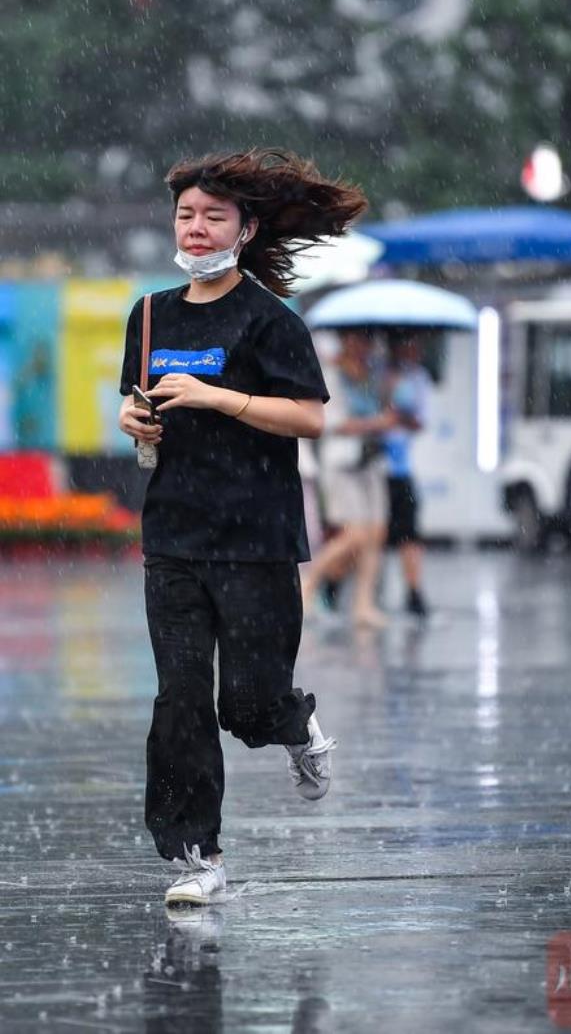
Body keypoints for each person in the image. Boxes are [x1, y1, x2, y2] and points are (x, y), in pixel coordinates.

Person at [118, 149, 367, 906]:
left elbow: (310, 418)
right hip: (176, 538)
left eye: (212, 217)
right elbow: (142, 422)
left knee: (247, 706)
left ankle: (295, 724)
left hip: (257, 537)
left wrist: (217, 396)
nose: (195, 229)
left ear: (246, 227)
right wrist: (135, 422)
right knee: (181, 697)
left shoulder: (269, 320)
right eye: (186, 215)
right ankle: (199, 855)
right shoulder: (152, 313)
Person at [301, 330, 396, 628]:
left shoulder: (372, 376)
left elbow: (386, 414)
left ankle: (363, 604)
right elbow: (329, 422)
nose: (363, 347)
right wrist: (373, 423)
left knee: (375, 534)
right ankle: (308, 584)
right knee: (354, 535)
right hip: (342, 461)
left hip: (371, 460)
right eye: (357, 340)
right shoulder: (330, 374)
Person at [384, 332, 433, 617]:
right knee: (367, 534)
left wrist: (398, 413)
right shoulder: (378, 372)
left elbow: (418, 421)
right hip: (374, 465)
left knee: (409, 533)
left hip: (401, 467)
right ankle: (333, 587)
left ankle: (414, 593)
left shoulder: (418, 378)